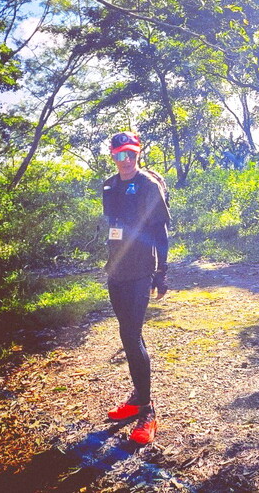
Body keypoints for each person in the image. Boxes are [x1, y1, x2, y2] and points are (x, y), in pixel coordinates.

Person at [102, 131, 170, 445]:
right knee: (129, 334)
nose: (125, 160)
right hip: (116, 272)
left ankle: (147, 411)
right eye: (119, 155)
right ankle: (137, 398)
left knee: (131, 335)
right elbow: (114, 225)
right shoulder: (109, 185)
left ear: (138, 153)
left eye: (131, 154)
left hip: (142, 270)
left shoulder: (148, 185)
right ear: (113, 156)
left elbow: (161, 232)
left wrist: (161, 273)